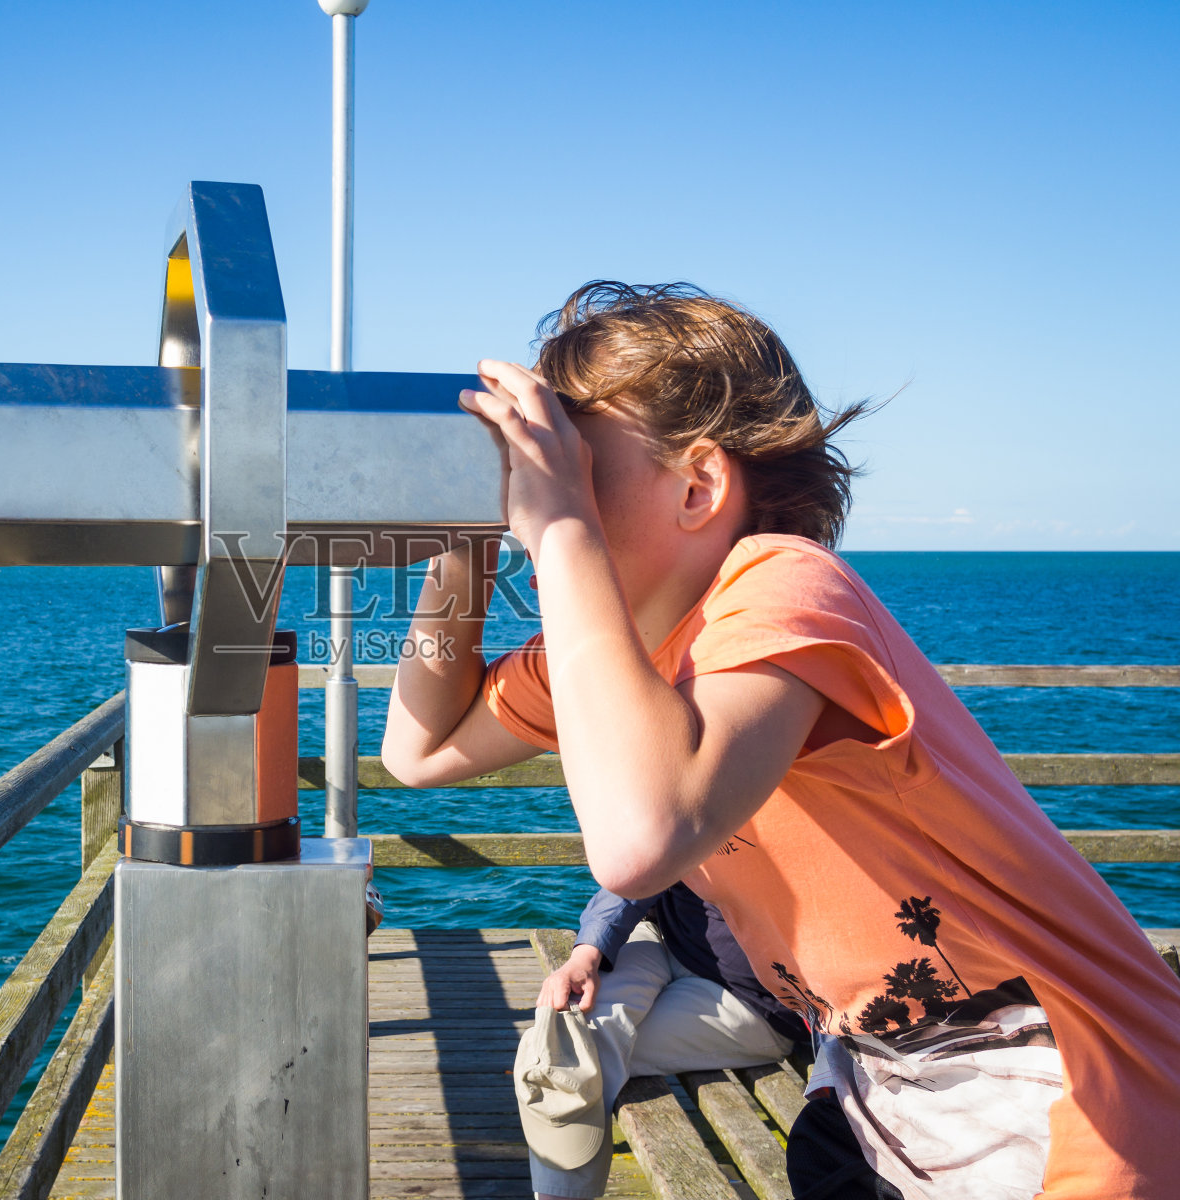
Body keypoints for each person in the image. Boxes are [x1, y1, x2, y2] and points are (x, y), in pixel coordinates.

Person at [381, 282, 1180, 1200]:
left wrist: (561, 531)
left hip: (1074, 1096)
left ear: (699, 485)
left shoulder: (783, 583)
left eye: (575, 463)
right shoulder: (610, 654)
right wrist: (462, 542)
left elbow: (641, 840)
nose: (538, 487)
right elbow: (419, 750)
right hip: (886, 1094)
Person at [529, 881, 806, 1199]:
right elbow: (639, 868)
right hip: (665, 933)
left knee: (571, 1054)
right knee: (557, 1040)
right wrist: (586, 953)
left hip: (752, 996)